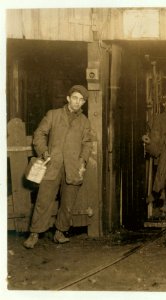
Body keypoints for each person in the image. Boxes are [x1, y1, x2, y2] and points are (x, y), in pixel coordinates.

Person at [23, 85, 93, 249]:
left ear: (83, 103)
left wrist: (82, 161)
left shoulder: (84, 122)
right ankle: (34, 234)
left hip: (73, 167)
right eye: (75, 98)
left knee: (68, 202)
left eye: (81, 100)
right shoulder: (53, 115)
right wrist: (44, 152)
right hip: (52, 165)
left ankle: (60, 232)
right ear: (68, 98)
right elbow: (39, 134)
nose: (77, 102)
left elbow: (87, 144)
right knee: (43, 200)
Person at [142, 90, 166, 158]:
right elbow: (155, 139)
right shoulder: (158, 119)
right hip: (163, 155)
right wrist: (157, 152)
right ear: (163, 104)